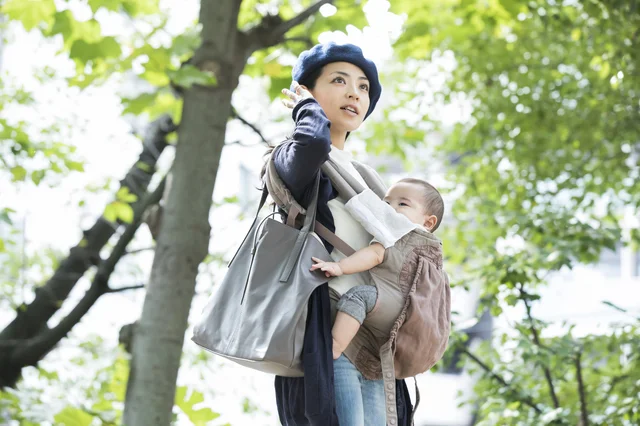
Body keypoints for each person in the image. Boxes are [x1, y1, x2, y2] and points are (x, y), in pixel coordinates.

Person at [265, 42, 413, 426]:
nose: (355, 93)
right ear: (307, 93)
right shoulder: (294, 159)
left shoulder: (369, 181)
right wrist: (304, 111)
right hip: (325, 331)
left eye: (364, 88)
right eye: (339, 81)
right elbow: (313, 142)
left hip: (373, 335)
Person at [309, 178, 445, 360]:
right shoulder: (435, 248)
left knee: (358, 296)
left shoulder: (398, 233)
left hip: (393, 302)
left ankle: (335, 345)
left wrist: (339, 267)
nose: (390, 208)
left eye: (402, 204)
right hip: (417, 312)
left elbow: (374, 254)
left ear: (428, 223)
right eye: (386, 202)